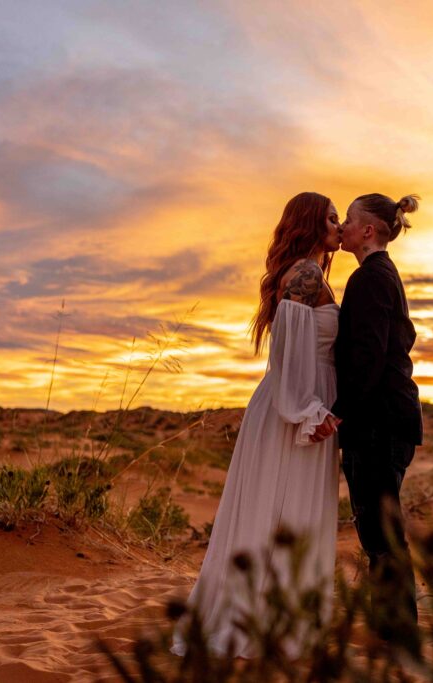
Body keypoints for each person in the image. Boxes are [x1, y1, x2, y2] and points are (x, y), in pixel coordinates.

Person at [170, 192, 342, 658]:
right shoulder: (305, 275)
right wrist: (308, 413)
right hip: (295, 413)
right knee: (279, 513)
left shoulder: (311, 274)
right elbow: (287, 358)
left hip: (305, 408)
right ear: (310, 222)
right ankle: (259, 625)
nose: (338, 223)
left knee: (290, 515)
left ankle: (275, 619)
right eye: (330, 217)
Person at [331, 193, 423, 642]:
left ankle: (398, 637)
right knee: (382, 535)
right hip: (388, 421)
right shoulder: (381, 275)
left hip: (377, 424)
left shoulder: (369, 278)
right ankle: (395, 631)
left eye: (348, 221)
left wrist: (339, 413)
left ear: (368, 231)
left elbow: (366, 357)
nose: (343, 227)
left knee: (381, 537)